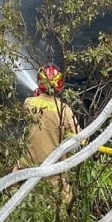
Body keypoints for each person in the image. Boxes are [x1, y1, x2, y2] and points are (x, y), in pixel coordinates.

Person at [17, 64, 80, 201]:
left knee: (15, 194)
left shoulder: (29, 103)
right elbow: (79, 139)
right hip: (53, 171)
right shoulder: (64, 110)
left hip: (27, 167)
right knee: (64, 203)